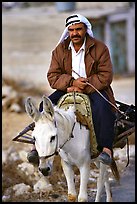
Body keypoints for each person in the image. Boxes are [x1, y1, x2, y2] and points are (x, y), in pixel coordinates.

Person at [27, 14, 116, 166]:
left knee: (103, 108)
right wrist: (71, 83)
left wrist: (84, 86)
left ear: (85, 30)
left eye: (78, 29)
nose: (75, 33)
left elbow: (106, 76)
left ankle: (106, 149)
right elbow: (53, 77)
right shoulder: (59, 51)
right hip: (68, 88)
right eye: (71, 30)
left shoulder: (100, 48)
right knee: (43, 108)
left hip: (94, 88)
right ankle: (36, 146)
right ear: (68, 31)